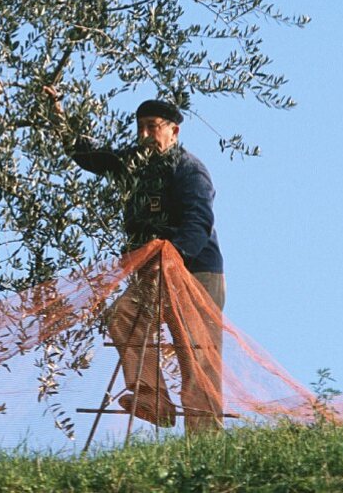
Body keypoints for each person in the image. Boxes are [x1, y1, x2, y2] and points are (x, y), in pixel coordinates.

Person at [43, 86, 225, 433]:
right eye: (139, 127)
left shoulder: (189, 171)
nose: (144, 135)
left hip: (196, 272)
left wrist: (172, 256)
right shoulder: (134, 165)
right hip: (153, 271)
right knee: (123, 317)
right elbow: (90, 158)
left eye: (152, 126)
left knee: (195, 353)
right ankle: (151, 396)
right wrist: (59, 116)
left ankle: (206, 442)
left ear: (174, 129)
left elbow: (198, 223)